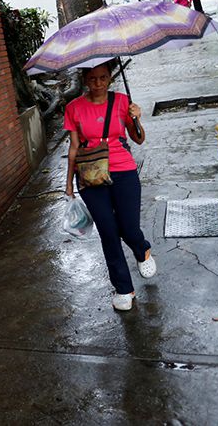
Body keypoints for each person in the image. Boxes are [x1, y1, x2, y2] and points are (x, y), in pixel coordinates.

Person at [64, 60, 154, 311]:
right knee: (108, 233)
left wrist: (137, 119)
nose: (98, 84)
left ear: (110, 77)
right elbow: (73, 149)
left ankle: (142, 248)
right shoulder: (73, 108)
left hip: (123, 171)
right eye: (92, 79)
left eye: (103, 78)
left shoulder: (122, 101)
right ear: (84, 80)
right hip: (90, 176)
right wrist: (69, 184)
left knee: (129, 227)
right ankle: (124, 288)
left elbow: (138, 139)